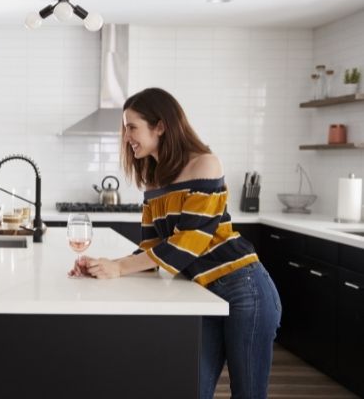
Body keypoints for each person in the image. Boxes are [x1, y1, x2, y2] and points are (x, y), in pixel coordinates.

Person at [69, 88, 281, 399]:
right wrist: (100, 266)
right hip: (200, 292)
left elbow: (187, 245)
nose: (126, 137)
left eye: (132, 127)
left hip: (244, 288)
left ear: (161, 126)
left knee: (248, 394)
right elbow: (151, 247)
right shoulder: (153, 181)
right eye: (124, 128)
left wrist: (119, 268)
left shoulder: (205, 165)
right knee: (191, 388)